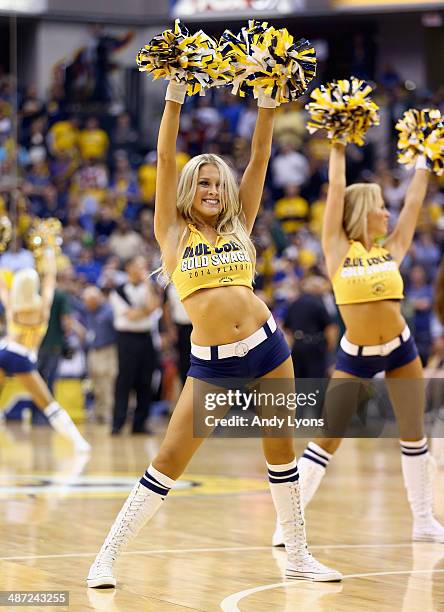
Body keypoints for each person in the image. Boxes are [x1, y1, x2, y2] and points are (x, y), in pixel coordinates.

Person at [86, 80, 342, 588]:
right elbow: (163, 157)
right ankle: (105, 558)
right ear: (188, 189)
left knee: (280, 450)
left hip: (269, 346)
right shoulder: (171, 232)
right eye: (203, 183)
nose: (212, 190)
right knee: (169, 458)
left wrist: (268, 97)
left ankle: (298, 556)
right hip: (215, 361)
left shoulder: (239, 222)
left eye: (217, 183)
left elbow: (260, 158)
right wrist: (175, 96)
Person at [273, 142, 444, 546]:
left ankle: (423, 519)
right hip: (357, 355)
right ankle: (288, 524)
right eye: (381, 206)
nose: (388, 212)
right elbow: (336, 187)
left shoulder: (393, 247)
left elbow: (416, 199)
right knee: (328, 438)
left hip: (402, 348)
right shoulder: (336, 249)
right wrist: (336, 144)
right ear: (363, 212)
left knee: (414, 433)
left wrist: (427, 153)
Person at [0, 252, 90, 452]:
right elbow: (49, 280)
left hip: (3, 351)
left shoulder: (12, 308)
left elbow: (2, 286)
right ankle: (78, 442)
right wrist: (49, 256)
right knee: (49, 404)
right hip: (22, 357)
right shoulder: (42, 307)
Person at [109, 255, 159, 435]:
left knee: (146, 382)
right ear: (128, 268)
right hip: (126, 339)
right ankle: (118, 423)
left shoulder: (149, 288)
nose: (141, 270)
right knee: (124, 381)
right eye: (138, 266)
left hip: (146, 338)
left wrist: (147, 285)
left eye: (144, 266)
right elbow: (131, 316)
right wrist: (145, 311)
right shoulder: (118, 291)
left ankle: (140, 424)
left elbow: (154, 306)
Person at [81, 286, 117, 424]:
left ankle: (109, 413)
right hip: (93, 350)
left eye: (88, 302)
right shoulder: (89, 311)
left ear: (96, 300)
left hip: (108, 350)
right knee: (95, 383)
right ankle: (98, 412)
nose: (86, 305)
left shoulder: (109, 312)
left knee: (107, 382)